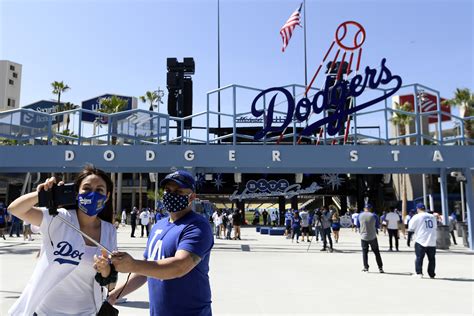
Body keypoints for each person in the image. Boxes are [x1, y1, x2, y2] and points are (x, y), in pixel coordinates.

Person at [7, 165, 117, 315]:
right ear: (76, 192)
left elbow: (111, 285)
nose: (92, 195)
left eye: (99, 190)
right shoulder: (58, 218)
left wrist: (105, 270)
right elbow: (15, 209)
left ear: (108, 196)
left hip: (88, 312)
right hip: (46, 312)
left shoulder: (109, 230)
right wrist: (43, 194)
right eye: (87, 188)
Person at [108, 170, 214, 316]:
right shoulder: (159, 225)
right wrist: (112, 296)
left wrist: (133, 264)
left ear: (192, 197)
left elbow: (180, 266)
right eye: (168, 190)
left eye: (178, 191)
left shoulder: (197, 226)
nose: (171, 194)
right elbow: (144, 271)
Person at [408, 203, 437, 278]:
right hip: (432, 240)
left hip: (421, 239)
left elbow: (410, 228)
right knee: (432, 258)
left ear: (418, 209)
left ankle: (419, 273)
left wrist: (408, 239)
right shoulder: (432, 216)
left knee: (419, 257)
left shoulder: (417, 216)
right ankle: (431, 273)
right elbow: (435, 227)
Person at [357, 203, 384, 273]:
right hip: (372, 236)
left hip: (363, 237)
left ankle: (366, 267)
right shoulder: (374, 215)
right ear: (370, 209)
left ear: (364, 209)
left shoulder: (359, 215)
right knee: (376, 252)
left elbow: (358, 225)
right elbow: (377, 226)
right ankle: (380, 267)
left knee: (364, 252)